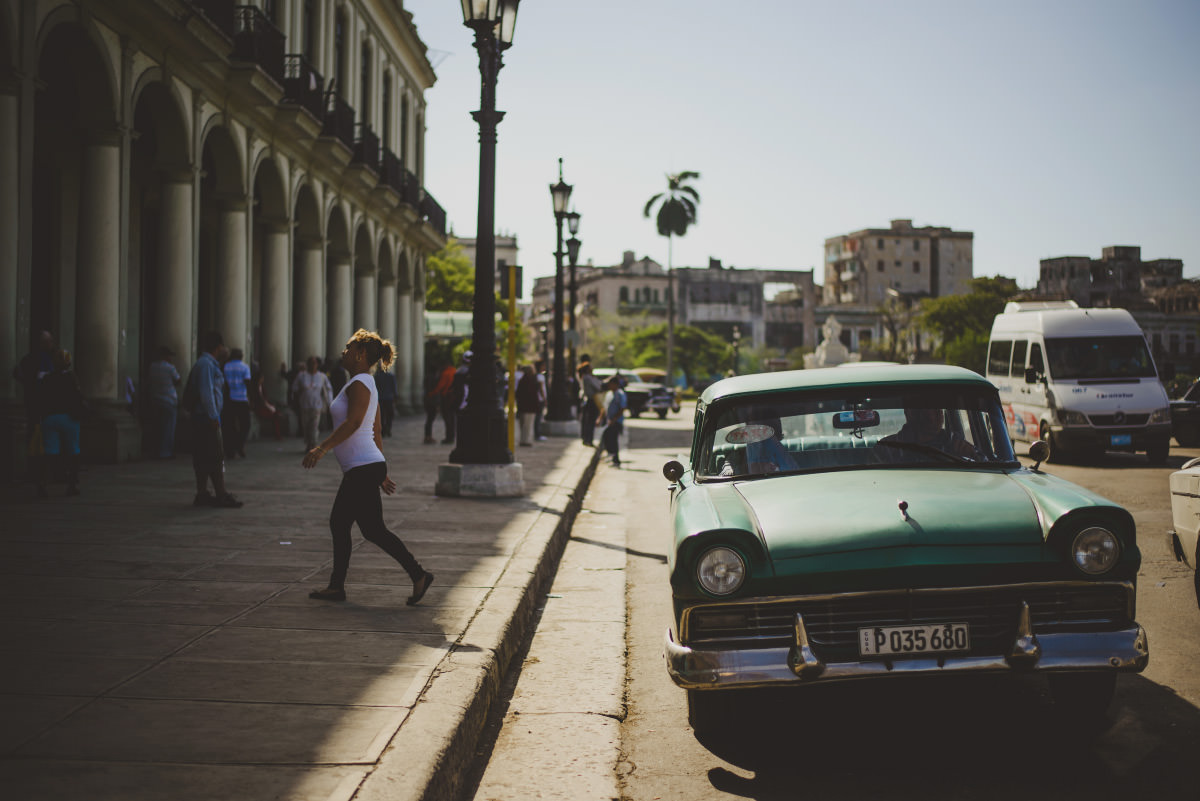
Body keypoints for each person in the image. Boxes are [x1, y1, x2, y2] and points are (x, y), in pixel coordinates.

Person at [302, 329, 433, 606]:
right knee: (370, 529)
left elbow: (354, 423)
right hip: (366, 466)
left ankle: (340, 586)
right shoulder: (364, 382)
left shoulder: (361, 383)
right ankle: (417, 574)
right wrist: (381, 471)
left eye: (348, 348)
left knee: (345, 524)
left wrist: (322, 448)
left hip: (362, 467)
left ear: (360, 354)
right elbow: (376, 429)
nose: (344, 352)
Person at [184, 331, 242, 508]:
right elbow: (206, 392)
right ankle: (220, 494)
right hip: (206, 418)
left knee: (204, 456)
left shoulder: (208, 364)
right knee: (215, 457)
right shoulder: (206, 365)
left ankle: (203, 493)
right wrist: (213, 416)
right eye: (223, 346)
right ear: (218, 347)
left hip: (203, 417)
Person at [36, 349, 85, 497]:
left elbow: (40, 397)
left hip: (49, 418)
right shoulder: (71, 377)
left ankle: (42, 484)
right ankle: (72, 485)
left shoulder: (46, 378)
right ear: (68, 363)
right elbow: (78, 396)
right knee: (73, 451)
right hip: (69, 417)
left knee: (49, 452)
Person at [875, 406, 982, 461]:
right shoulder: (886, 449)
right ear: (909, 413)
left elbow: (985, 466)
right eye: (923, 410)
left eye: (938, 410)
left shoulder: (956, 444)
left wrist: (970, 457)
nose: (933, 416)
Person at [14, 330, 55, 460]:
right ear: (42, 343)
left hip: (36, 401)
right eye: (49, 341)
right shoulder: (45, 359)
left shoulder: (32, 358)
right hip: (41, 402)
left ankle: (35, 460)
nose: (51, 344)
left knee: (35, 431)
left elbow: (18, 374)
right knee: (38, 432)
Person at [146, 346, 181, 459]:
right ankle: (166, 452)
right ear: (166, 356)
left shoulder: (152, 366)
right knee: (168, 428)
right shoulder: (170, 367)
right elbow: (178, 380)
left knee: (157, 426)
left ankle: (155, 450)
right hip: (169, 400)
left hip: (155, 399)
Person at [292, 355, 333, 450]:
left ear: (317, 365)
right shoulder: (301, 376)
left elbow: (328, 389)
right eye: (310, 363)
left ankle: (313, 444)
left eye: (314, 363)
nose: (312, 365)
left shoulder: (322, 376)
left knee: (314, 426)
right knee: (306, 426)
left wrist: (329, 402)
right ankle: (308, 443)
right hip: (304, 405)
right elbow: (294, 388)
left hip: (317, 405)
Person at [222, 348, 252, 458]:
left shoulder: (226, 366)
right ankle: (239, 444)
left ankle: (230, 449)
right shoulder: (245, 367)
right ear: (241, 356)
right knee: (245, 424)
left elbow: (224, 383)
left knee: (230, 425)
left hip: (229, 399)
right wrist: (250, 397)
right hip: (242, 398)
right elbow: (247, 382)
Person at [442, 351, 471, 445]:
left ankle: (452, 437)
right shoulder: (465, 372)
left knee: (454, 418)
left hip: (459, 398)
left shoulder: (459, 371)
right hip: (462, 398)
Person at [424, 361, 455, 444]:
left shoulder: (445, 373)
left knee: (446, 418)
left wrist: (432, 394)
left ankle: (447, 437)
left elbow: (440, 386)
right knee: (451, 418)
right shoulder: (454, 371)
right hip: (451, 397)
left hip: (444, 397)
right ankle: (451, 436)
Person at [600, 375, 627, 467]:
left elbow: (622, 408)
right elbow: (604, 407)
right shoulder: (609, 394)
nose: (609, 386)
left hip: (616, 422)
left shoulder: (620, 394)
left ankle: (616, 459)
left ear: (615, 384)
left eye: (610, 384)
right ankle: (611, 456)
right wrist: (600, 418)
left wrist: (614, 419)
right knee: (607, 437)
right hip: (609, 421)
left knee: (613, 440)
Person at [515, 364, 541, 447]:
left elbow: (518, 393)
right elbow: (535, 394)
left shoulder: (522, 380)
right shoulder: (532, 380)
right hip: (530, 406)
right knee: (528, 424)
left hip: (522, 406)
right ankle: (526, 440)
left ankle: (523, 440)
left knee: (523, 424)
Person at [579, 363, 603, 447]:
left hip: (588, 400)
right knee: (591, 421)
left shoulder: (585, 377)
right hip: (592, 400)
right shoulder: (588, 378)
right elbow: (598, 387)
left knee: (587, 420)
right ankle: (588, 439)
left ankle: (586, 438)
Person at [374, 367, 398, 437]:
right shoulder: (391, 376)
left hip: (380, 398)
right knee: (389, 415)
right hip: (389, 398)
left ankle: (383, 430)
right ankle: (388, 429)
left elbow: (376, 388)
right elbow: (394, 387)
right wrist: (395, 397)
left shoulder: (377, 376)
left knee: (381, 415)